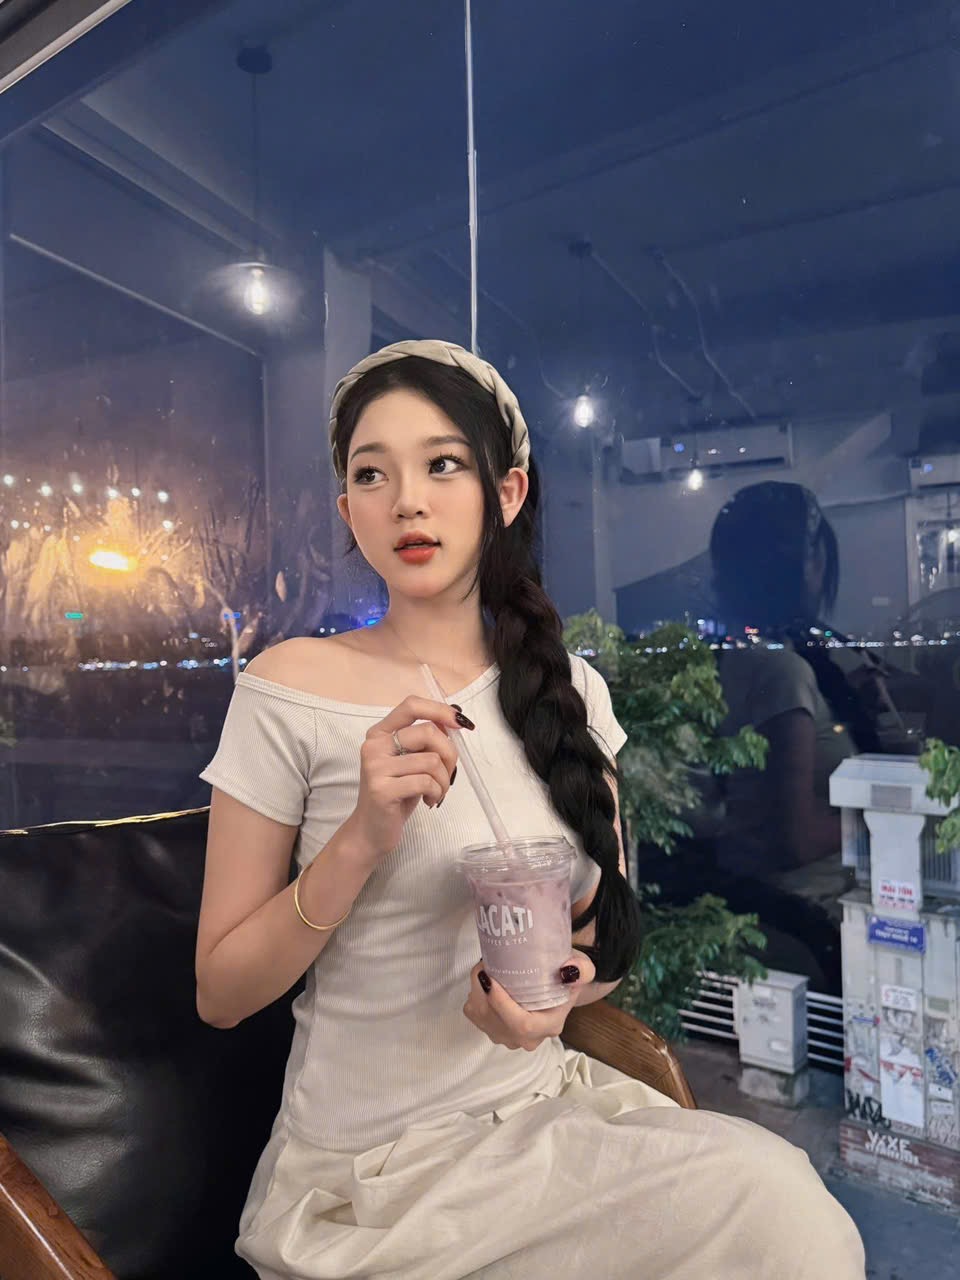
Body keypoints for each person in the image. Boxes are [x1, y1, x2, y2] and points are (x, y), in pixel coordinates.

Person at [195, 343, 864, 1280]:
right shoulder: (287, 688)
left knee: (793, 1219)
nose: (407, 502)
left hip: (543, 1122)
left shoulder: (570, 692)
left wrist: (559, 996)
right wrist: (360, 841)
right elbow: (220, 993)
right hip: (372, 1181)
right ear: (349, 511)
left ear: (505, 493)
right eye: (372, 475)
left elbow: (605, 944)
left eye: (443, 464)